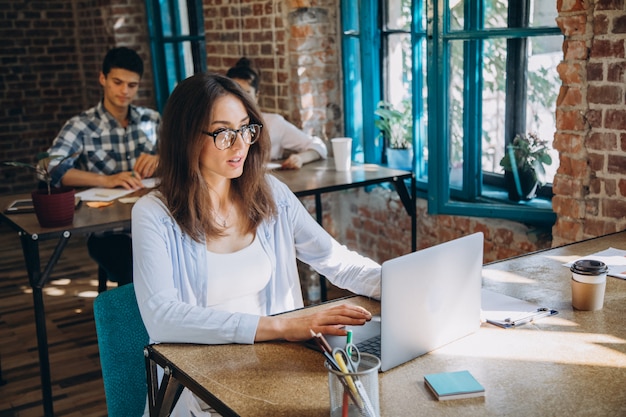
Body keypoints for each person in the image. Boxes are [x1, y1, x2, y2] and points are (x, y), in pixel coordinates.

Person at [131, 72, 380, 416]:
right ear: (185, 138)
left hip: (274, 369)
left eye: (246, 128)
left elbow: (335, 259)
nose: (240, 145)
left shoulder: (270, 192)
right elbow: (162, 317)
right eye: (223, 133)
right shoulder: (153, 214)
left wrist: (400, 283)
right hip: (201, 387)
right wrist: (280, 326)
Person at [46, 46, 161, 286]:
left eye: (132, 85)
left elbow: (186, 157)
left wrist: (163, 158)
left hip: (154, 223)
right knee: (134, 273)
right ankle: (129, 323)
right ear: (103, 78)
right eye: (117, 82)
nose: (124, 91)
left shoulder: (152, 120)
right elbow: (51, 167)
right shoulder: (81, 125)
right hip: (107, 233)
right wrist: (106, 180)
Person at [226, 57, 328, 169]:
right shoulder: (220, 128)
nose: (241, 99)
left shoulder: (273, 123)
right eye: (236, 94)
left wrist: (300, 159)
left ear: (256, 97)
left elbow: (319, 147)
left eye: (247, 93)